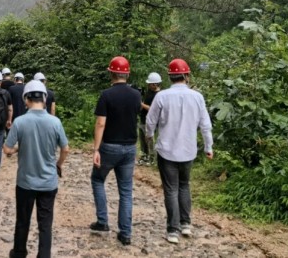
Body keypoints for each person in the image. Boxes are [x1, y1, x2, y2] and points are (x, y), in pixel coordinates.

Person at [146, 59, 213, 245]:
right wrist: (209, 147)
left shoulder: (162, 96)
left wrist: (149, 136)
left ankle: (173, 230)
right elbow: (205, 125)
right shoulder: (197, 97)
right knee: (184, 185)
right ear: (187, 75)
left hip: (167, 151)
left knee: (171, 189)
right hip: (188, 150)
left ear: (169, 76)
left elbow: (151, 121)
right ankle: (186, 224)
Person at [4, 80, 70, 258]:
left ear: (26, 99)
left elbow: (7, 149)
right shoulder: (55, 122)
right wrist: (58, 164)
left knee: (22, 220)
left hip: (25, 182)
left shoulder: (19, 122)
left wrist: (19, 147)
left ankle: (19, 252)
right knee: (45, 224)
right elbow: (65, 149)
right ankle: (43, 254)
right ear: (45, 98)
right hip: (48, 183)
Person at [90, 56, 141, 246]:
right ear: (127, 73)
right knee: (126, 190)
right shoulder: (136, 95)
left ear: (111, 73)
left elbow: (101, 123)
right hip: (129, 148)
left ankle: (103, 222)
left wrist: (96, 149)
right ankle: (125, 233)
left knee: (97, 179)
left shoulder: (106, 95)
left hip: (109, 147)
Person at [138, 72, 162, 166]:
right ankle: (144, 157)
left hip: (151, 122)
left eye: (150, 84)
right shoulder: (149, 92)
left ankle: (152, 159)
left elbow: (152, 108)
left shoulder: (159, 95)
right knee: (143, 141)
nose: (148, 85)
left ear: (155, 84)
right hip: (143, 119)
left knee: (150, 141)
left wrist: (141, 104)